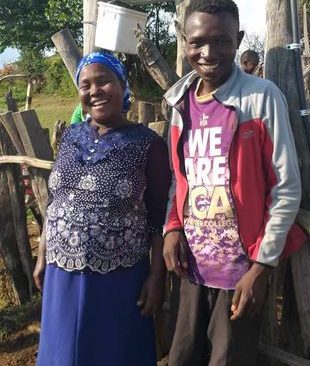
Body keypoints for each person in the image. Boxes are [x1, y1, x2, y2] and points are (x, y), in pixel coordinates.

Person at [162, 1, 307, 365]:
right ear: (184, 41)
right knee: (182, 357)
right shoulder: (179, 105)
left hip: (240, 273)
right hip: (192, 268)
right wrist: (173, 226)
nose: (208, 53)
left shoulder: (260, 98)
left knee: (229, 359)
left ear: (238, 39)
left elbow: (286, 187)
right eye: (198, 42)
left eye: (221, 41)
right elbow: (179, 180)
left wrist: (261, 266)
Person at [33, 52, 171, 366]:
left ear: (122, 86)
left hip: (118, 280)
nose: (94, 90)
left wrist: (156, 277)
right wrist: (42, 256)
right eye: (86, 85)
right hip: (60, 273)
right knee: (61, 353)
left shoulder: (147, 144)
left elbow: (159, 216)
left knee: (113, 352)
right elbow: (56, 201)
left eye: (104, 80)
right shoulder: (70, 136)